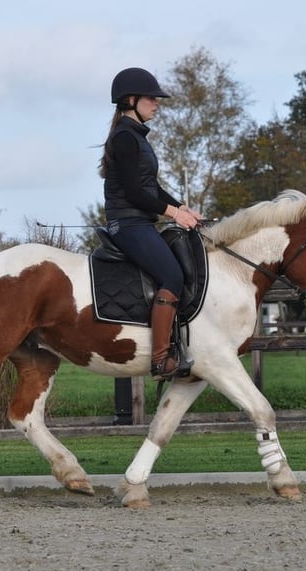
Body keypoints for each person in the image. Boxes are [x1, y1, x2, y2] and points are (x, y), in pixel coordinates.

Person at [99, 67, 203, 380]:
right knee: (172, 274)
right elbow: (134, 192)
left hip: (138, 221)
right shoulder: (126, 138)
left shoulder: (135, 137)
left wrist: (183, 208)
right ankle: (160, 360)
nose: (157, 103)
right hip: (127, 224)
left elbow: (151, 188)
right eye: (151, 98)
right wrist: (172, 214)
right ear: (130, 100)